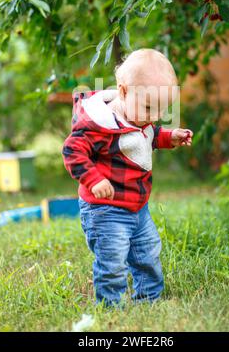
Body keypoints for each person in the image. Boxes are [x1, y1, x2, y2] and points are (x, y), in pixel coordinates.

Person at [62, 48, 193, 307]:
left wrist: (169, 137)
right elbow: (72, 151)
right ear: (123, 91)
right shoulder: (98, 123)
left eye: (161, 109)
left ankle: (149, 299)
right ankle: (111, 306)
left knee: (148, 254)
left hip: (138, 206)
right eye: (148, 107)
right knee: (112, 261)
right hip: (105, 210)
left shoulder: (139, 116)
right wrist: (94, 179)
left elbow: (146, 136)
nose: (153, 116)